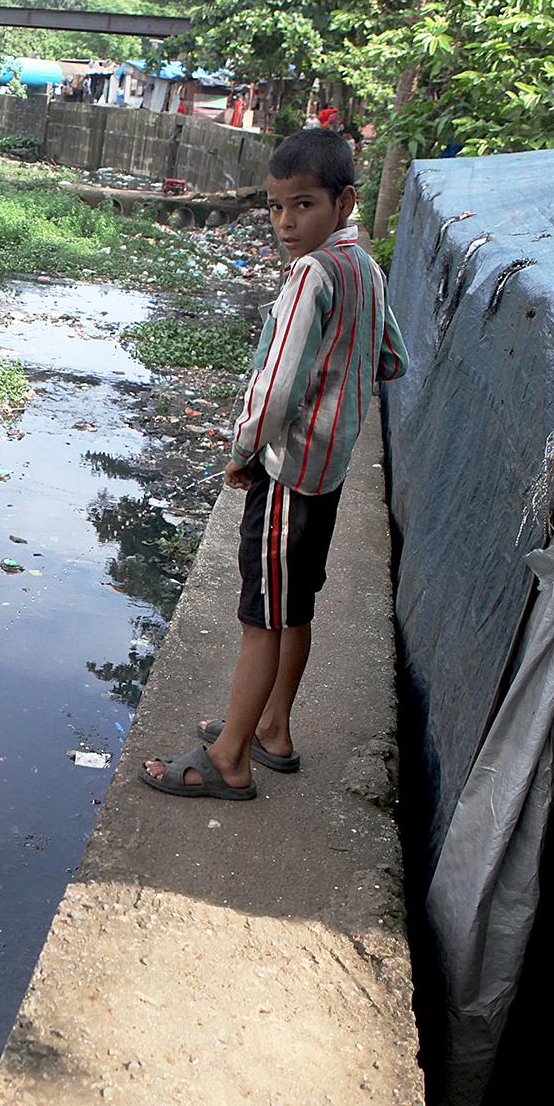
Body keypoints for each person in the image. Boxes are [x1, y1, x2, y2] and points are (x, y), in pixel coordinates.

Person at [140, 127, 406, 800]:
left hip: (288, 472)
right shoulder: (365, 269)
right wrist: (344, 387)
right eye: (276, 206)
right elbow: (392, 357)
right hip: (332, 470)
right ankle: (272, 728)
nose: (286, 222)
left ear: (344, 201)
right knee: (296, 603)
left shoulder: (310, 275)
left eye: (303, 205)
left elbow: (277, 383)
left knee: (261, 613)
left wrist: (243, 449)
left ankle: (230, 756)